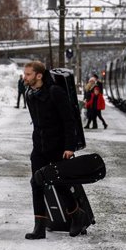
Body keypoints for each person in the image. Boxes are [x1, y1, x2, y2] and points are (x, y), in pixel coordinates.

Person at [23, 60, 88, 239]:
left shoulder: (55, 93)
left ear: (38, 75)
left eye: (28, 74)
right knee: (36, 182)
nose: (24, 77)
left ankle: (77, 214)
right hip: (39, 147)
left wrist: (69, 146)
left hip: (58, 147)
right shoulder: (30, 94)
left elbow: (69, 121)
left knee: (59, 183)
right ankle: (39, 228)